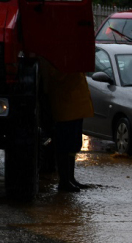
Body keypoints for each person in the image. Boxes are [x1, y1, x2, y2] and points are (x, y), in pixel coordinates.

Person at [40, 59, 94, 192]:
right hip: (65, 108)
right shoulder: (56, 61)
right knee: (64, 146)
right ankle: (64, 181)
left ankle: (70, 178)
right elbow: (55, 77)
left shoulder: (72, 59)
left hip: (75, 108)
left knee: (73, 146)